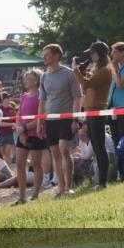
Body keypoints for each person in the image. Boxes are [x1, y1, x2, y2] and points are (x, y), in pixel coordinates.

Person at [39, 44, 82, 196]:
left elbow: (78, 97)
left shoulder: (69, 74)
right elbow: (42, 101)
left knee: (64, 149)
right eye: (44, 55)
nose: (44, 57)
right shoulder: (44, 76)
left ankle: (68, 187)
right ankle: (61, 187)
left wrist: (76, 118)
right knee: (55, 154)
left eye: (47, 54)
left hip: (66, 118)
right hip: (50, 120)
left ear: (57, 55)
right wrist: (40, 121)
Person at [74, 41, 115, 189]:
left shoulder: (104, 70)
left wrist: (76, 71)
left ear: (99, 54)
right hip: (91, 109)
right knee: (96, 147)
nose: (91, 56)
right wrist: (83, 72)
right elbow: (87, 87)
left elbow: (86, 84)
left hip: (98, 110)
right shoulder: (97, 69)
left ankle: (103, 182)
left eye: (92, 53)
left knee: (99, 147)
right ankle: (100, 180)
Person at [13, 68, 47, 204]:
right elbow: (19, 115)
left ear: (36, 80)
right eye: (25, 78)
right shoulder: (24, 96)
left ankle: (35, 194)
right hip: (23, 134)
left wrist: (25, 128)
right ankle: (22, 197)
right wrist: (20, 130)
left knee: (36, 164)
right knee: (19, 163)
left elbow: (40, 118)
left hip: (36, 134)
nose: (25, 81)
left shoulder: (41, 97)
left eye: (28, 79)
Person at [0, 90, 17, 165]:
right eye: (7, 98)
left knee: (7, 153)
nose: (9, 99)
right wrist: (11, 124)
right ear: (3, 99)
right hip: (0, 135)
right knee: (1, 154)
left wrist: (16, 125)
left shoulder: (11, 108)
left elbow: (15, 120)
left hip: (9, 134)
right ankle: (2, 169)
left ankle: (8, 170)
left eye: (9, 98)